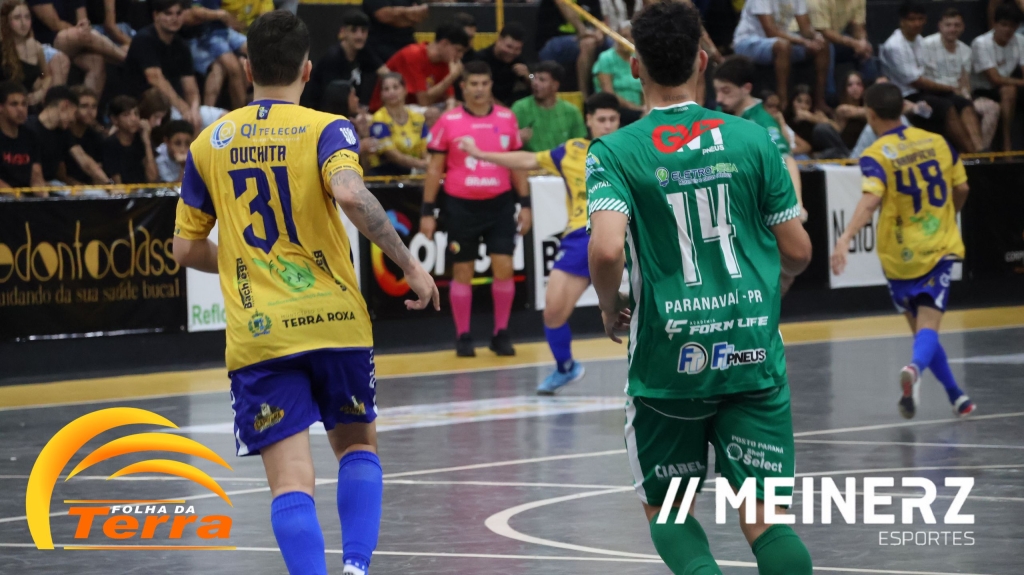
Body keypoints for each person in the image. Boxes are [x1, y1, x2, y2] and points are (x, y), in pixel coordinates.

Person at [172, 11, 438, 575]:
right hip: (335, 321)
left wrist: (244, 259)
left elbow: (184, 249)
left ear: (247, 69)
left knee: (291, 481)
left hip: (261, 334)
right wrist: (410, 264)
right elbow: (350, 194)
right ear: (308, 70)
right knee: (358, 448)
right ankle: (357, 567)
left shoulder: (207, 144)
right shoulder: (327, 128)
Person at [586, 4, 813, 575]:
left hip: (669, 360)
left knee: (669, 510)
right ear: (703, 61)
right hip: (751, 351)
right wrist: (777, 282)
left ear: (635, 66)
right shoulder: (752, 138)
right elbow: (798, 250)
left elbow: (607, 250)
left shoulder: (615, 151)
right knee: (767, 521)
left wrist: (611, 308)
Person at [458, 92, 620, 393]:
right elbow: (528, 159)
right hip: (580, 236)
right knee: (553, 312)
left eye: (613, 119)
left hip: (625, 233)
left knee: (645, 306)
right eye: (602, 119)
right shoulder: (572, 150)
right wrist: (481, 154)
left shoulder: (632, 148)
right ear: (589, 120)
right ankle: (566, 367)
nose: (608, 125)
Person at [832, 82, 976, 420]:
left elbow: (871, 199)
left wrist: (845, 238)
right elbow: (962, 187)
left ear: (870, 114)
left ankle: (957, 397)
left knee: (922, 330)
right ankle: (914, 369)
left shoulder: (875, 154)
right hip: (937, 248)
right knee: (928, 329)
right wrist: (948, 216)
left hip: (897, 256)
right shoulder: (938, 142)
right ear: (902, 108)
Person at [420, 60, 530, 357]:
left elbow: (517, 164)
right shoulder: (449, 120)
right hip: (460, 207)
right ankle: (463, 336)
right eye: (473, 84)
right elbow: (434, 169)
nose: (479, 89)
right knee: (462, 269)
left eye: (484, 83)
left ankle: (501, 333)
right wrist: (427, 211)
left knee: (504, 267)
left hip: (500, 204)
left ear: (491, 85)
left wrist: (525, 204)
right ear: (463, 87)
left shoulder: (507, 117)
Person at [714, 55, 807, 236]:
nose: (719, 98)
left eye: (726, 91)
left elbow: (787, 160)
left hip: (756, 210)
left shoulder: (763, 121)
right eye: (716, 91)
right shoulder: (717, 114)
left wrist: (797, 203)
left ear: (746, 88)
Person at [880, 0, 975, 153]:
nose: (916, 23)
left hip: (923, 92)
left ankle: (981, 151)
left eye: (920, 19)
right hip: (904, 96)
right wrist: (949, 88)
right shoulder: (894, 46)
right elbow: (916, 81)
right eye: (911, 19)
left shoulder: (918, 39)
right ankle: (970, 153)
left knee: (963, 102)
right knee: (945, 106)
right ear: (902, 21)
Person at [732, 0, 829, 112]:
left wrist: (816, 36)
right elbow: (770, 31)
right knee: (783, 46)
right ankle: (783, 102)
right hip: (748, 42)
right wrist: (803, 42)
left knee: (823, 46)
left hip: (779, 40)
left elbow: (805, 28)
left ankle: (819, 101)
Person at [122, 0, 202, 128]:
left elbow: (191, 88)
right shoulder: (144, 40)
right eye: (168, 13)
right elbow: (155, 79)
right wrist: (184, 109)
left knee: (223, 119)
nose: (174, 18)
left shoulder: (181, 45)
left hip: (178, 107)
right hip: (149, 108)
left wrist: (194, 109)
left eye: (178, 13)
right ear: (156, 15)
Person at [919, 8, 988, 153]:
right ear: (940, 26)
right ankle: (970, 151)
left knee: (966, 105)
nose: (952, 29)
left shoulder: (966, 50)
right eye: (948, 25)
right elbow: (920, 78)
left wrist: (967, 96)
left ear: (963, 27)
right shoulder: (925, 45)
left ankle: (979, 152)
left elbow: (964, 81)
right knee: (951, 105)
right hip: (930, 91)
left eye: (957, 25)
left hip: (954, 93)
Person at [26, 0, 126, 94]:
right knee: (81, 34)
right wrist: (79, 31)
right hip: (49, 42)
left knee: (96, 61)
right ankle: (127, 59)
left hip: (75, 42)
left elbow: (83, 20)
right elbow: (55, 24)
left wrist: (83, 28)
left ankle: (86, 103)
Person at [370, 22, 468, 110]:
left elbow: (449, 98)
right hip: (388, 110)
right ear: (444, 43)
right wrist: (451, 77)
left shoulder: (444, 62)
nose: (460, 56)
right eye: (458, 50)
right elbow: (424, 102)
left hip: (417, 110)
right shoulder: (413, 55)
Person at [303, 12, 387, 109]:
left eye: (363, 31)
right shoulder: (333, 58)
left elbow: (386, 73)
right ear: (343, 32)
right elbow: (332, 98)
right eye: (354, 30)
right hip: (320, 109)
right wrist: (358, 111)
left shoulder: (363, 51)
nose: (359, 36)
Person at [25, 84, 107, 185]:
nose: (73, 119)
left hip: (53, 185)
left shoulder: (63, 132)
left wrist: (109, 184)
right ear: (65, 106)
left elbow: (83, 159)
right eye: (74, 112)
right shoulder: (27, 128)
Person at [972, 3, 1024, 152]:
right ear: (995, 24)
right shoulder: (981, 43)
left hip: (1006, 85)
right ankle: (1007, 142)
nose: (1007, 30)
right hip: (982, 90)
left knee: (1009, 89)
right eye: (1004, 25)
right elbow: (994, 79)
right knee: (1009, 90)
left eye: (1012, 26)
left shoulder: (1020, 41)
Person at [182, 0, 248, 110]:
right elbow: (192, 13)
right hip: (207, 35)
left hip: (225, 30)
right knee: (232, 67)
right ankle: (240, 111)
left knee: (258, 50)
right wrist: (220, 15)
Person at [511, 61, 587, 152]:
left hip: (561, 160)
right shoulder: (520, 108)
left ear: (555, 85)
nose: (535, 83)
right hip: (529, 159)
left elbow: (580, 144)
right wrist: (516, 139)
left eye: (542, 80)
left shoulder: (571, 112)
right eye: (534, 78)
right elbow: (504, 141)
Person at [808, 0, 877, 99]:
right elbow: (823, 31)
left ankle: (871, 92)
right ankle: (830, 95)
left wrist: (862, 41)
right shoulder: (818, 1)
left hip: (839, 37)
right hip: (813, 38)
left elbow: (858, 25)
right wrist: (854, 43)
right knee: (828, 48)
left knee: (867, 49)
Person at [534, 0, 605, 94]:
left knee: (612, 44)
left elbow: (599, 20)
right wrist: (583, 31)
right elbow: (564, 6)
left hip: (587, 38)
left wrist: (599, 33)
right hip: (553, 40)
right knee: (588, 44)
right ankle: (583, 96)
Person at [0, 0, 57, 108]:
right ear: (6, 21)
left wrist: (40, 92)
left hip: (27, 104)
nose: (23, 23)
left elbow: (45, 75)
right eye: (17, 18)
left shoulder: (36, 47)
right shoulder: (1, 47)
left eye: (27, 17)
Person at [369, 73, 426, 175]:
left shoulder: (418, 117)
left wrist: (429, 163)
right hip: (388, 175)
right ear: (381, 95)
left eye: (395, 87)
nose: (391, 92)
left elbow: (426, 149)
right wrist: (422, 165)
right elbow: (392, 155)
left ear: (405, 90)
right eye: (386, 89)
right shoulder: (379, 119)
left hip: (418, 172)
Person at [592, 22, 643, 124]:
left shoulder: (639, 59)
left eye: (632, 37)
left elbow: (645, 90)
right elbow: (608, 93)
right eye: (624, 36)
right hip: (614, 109)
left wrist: (646, 108)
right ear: (616, 37)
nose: (627, 40)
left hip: (640, 111)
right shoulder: (606, 58)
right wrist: (635, 108)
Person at [470, 24, 530, 106]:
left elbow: (534, 78)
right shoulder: (481, 59)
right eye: (509, 47)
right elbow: (481, 91)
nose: (512, 52)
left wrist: (529, 75)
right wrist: (504, 110)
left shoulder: (518, 60)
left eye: (517, 49)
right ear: (498, 40)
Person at [102, 95, 156, 184]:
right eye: (126, 115)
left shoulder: (142, 139)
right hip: (124, 190)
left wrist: (147, 142)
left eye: (136, 113)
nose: (134, 119)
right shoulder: (110, 144)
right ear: (115, 120)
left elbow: (152, 178)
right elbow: (117, 182)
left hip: (145, 190)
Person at [0, 80, 43, 190]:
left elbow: (36, 176)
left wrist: (43, 197)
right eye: (14, 104)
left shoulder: (31, 136)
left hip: (25, 196)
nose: (21, 109)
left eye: (24, 104)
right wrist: (17, 198)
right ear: (1, 107)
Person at [785, 84, 848, 158]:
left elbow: (837, 129)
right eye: (799, 101)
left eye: (807, 103)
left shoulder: (817, 115)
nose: (803, 106)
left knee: (821, 129)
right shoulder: (785, 118)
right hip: (801, 155)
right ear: (792, 102)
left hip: (822, 153)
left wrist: (811, 118)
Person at [362, 0, 427, 63]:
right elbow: (384, 16)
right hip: (381, 47)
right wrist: (409, 12)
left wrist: (398, 14)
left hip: (408, 44)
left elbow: (419, 15)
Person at [64, 84, 103, 186]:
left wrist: (109, 186)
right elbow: (61, 174)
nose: (90, 112)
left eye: (94, 107)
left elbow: (99, 170)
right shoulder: (62, 133)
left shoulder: (96, 137)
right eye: (84, 106)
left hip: (90, 188)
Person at [835, 70, 868, 150]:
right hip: (845, 149)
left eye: (858, 84)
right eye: (850, 85)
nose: (855, 88)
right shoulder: (842, 109)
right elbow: (860, 112)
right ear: (844, 89)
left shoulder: (867, 107)